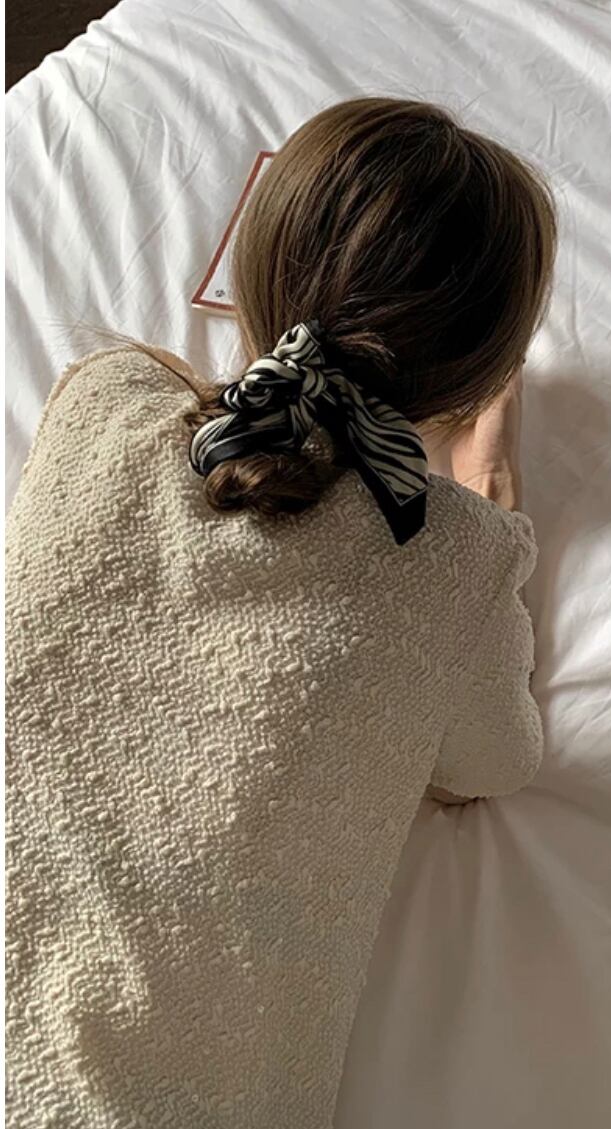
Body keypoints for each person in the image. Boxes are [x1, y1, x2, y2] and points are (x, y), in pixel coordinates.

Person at [5, 98, 556, 1128]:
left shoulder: (99, 401)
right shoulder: (457, 559)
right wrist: (487, 495)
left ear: (247, 285)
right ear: (483, 376)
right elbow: (493, 762)